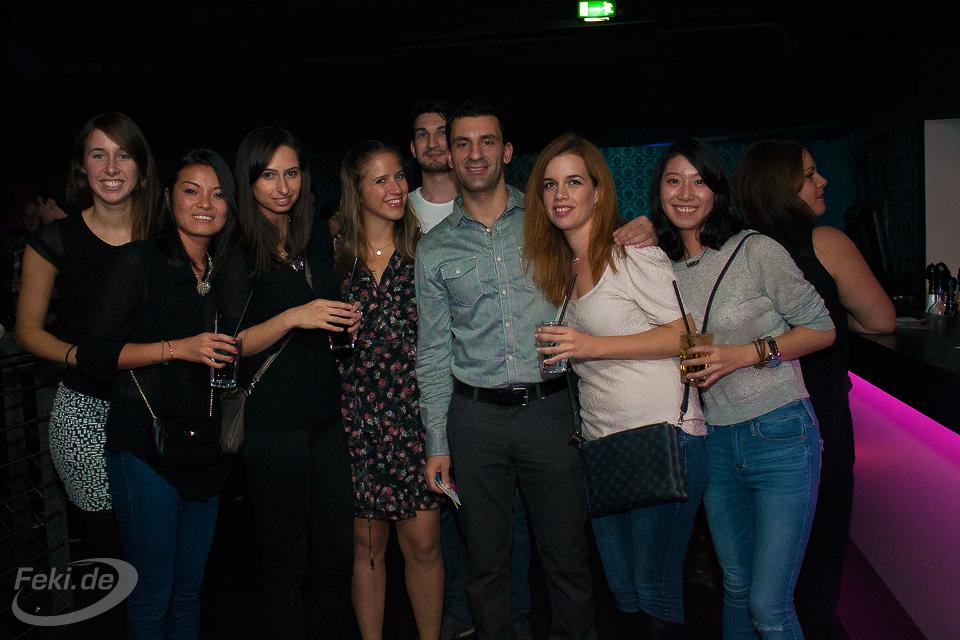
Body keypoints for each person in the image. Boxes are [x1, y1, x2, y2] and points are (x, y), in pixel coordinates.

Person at [416, 100, 601, 639]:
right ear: (450, 155)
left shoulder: (550, 220)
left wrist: (637, 229)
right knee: (486, 566)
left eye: (487, 142)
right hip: (475, 420)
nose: (475, 154)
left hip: (550, 411)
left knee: (567, 559)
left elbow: (602, 241)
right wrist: (437, 441)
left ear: (507, 152)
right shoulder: (434, 248)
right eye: (463, 143)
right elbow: (432, 351)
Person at [523, 133, 708, 639]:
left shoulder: (632, 255)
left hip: (661, 434)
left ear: (598, 192)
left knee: (654, 588)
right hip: (603, 443)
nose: (561, 194)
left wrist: (590, 346)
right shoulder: (563, 271)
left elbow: (687, 334)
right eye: (550, 185)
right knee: (623, 589)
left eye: (574, 182)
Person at [650, 138, 836, 640]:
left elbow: (822, 329)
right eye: (673, 181)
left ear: (717, 191)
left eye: (699, 181)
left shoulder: (756, 250)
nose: (685, 193)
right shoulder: (659, 269)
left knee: (768, 605)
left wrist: (744, 354)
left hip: (780, 433)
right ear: (659, 192)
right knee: (735, 587)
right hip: (713, 439)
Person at [732, 140, 895, 640]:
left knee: (761, 565)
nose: (821, 181)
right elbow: (881, 319)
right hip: (819, 418)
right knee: (819, 554)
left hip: (750, 420)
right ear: (780, 186)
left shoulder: (736, 249)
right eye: (808, 174)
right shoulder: (824, 242)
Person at [77, 148, 242, 637]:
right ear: (169, 198)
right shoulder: (139, 261)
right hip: (146, 447)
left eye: (218, 194)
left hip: (208, 448)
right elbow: (93, 353)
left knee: (190, 590)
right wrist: (177, 349)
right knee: (153, 594)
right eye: (192, 191)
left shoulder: (226, 272)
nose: (205, 203)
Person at [15, 113, 159, 626]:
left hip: (157, 412)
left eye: (124, 155)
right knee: (112, 562)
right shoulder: (54, 240)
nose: (111, 168)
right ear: (82, 168)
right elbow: (28, 330)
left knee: (160, 555)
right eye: (99, 155)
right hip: (85, 416)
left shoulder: (168, 235)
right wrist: (83, 356)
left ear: (141, 169)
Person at [234, 126, 358, 639]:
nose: (282, 187)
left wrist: (343, 322)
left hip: (326, 418)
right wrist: (293, 317)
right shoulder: (238, 248)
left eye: (291, 173)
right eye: (268, 176)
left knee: (337, 556)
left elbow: (325, 311)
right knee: (286, 563)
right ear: (249, 182)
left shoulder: (314, 240)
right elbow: (230, 344)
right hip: (273, 424)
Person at [334, 139, 443, 640]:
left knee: (423, 544)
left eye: (399, 175)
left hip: (416, 421)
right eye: (380, 180)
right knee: (367, 548)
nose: (396, 187)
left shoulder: (427, 253)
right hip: (355, 424)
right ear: (357, 191)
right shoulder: (335, 260)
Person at [408, 99, 459, 234]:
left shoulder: (477, 204)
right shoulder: (400, 209)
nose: (432, 144)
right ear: (413, 148)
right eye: (422, 135)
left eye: (442, 133)